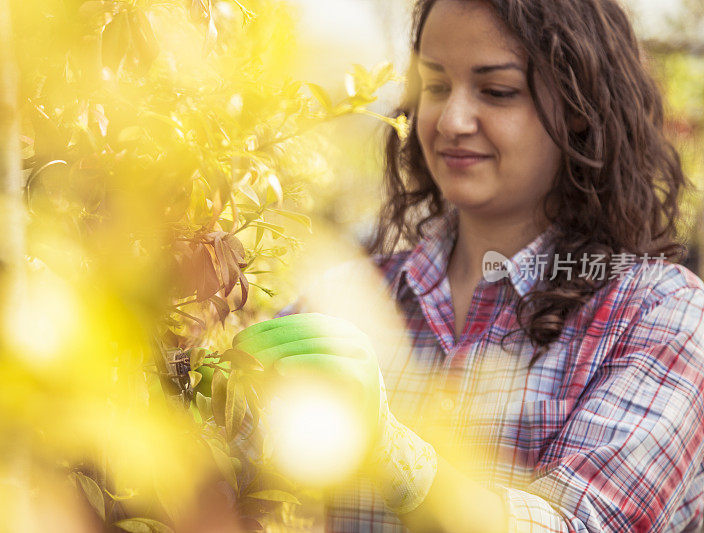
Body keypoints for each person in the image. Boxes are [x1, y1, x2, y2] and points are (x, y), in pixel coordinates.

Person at [231, 0, 704, 531]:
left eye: (497, 91)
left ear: (578, 108)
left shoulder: (658, 314)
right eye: (435, 86)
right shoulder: (352, 294)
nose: (452, 120)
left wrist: (395, 457)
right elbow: (206, 473)